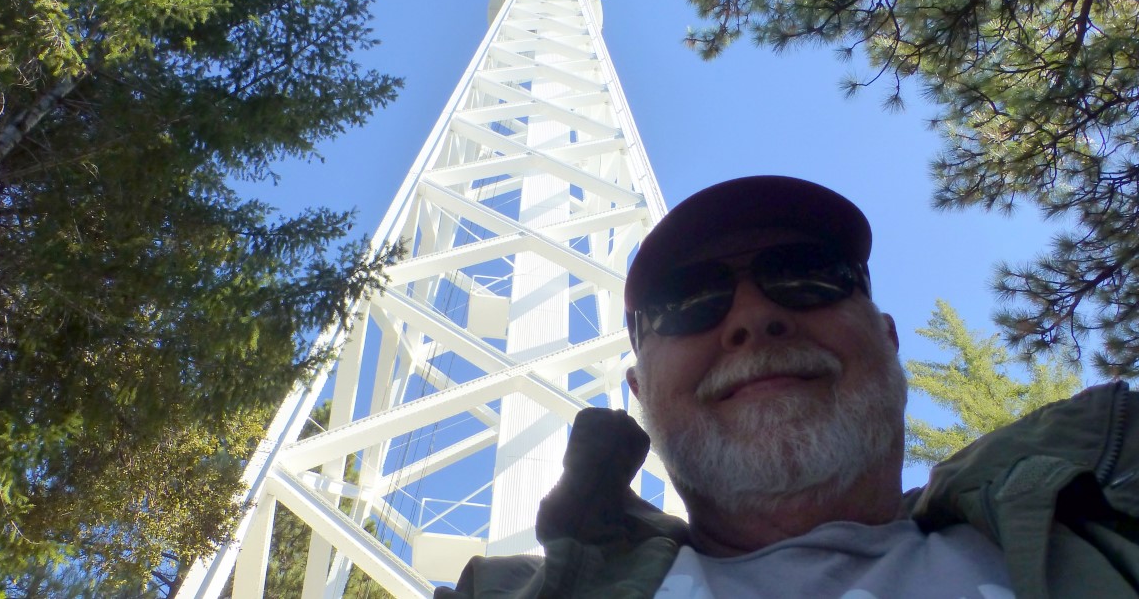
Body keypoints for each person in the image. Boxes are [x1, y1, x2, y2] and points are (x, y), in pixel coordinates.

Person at [436, 176, 1139, 598]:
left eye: (808, 274)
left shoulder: (1106, 504)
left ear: (889, 342)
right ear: (638, 393)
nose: (753, 318)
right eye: (687, 300)